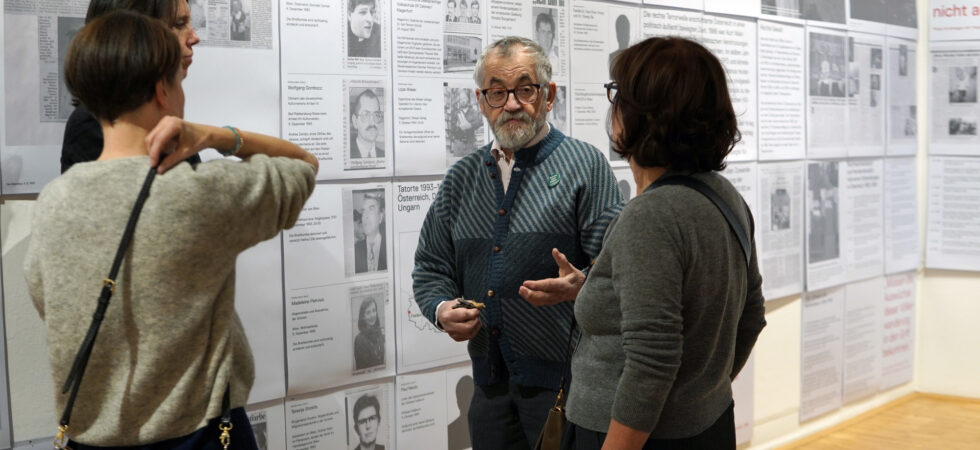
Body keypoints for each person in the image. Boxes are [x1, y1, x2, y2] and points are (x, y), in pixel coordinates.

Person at [26, 11, 317, 447]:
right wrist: (216, 136)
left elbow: (46, 298)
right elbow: (303, 164)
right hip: (199, 434)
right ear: (163, 90)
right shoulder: (199, 193)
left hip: (93, 439)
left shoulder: (53, 202)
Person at [522, 37, 766, 450]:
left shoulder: (650, 216)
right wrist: (698, 393)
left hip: (629, 436)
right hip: (707, 427)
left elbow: (652, 362)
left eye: (618, 93)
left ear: (645, 114)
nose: (613, 106)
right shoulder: (724, 196)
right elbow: (750, 315)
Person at [413, 36, 623, 449]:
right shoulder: (461, 179)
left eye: (525, 89)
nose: (511, 104)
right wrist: (440, 309)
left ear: (549, 96)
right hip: (490, 388)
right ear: (481, 101)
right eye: (497, 92)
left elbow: (618, 268)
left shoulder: (585, 165)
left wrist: (583, 284)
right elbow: (431, 267)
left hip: (568, 388)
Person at [61, 0, 201, 173]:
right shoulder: (94, 123)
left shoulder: (160, 116)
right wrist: (222, 138)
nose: (194, 37)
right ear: (132, 34)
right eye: (179, 24)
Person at [355, 192, 387, 272]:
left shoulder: (389, 246)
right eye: (363, 211)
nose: (365, 216)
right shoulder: (356, 250)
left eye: (371, 209)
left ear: (380, 217)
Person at [350, 89, 385, 159]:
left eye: (376, 114)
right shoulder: (348, 154)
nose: (372, 122)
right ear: (355, 121)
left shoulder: (384, 155)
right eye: (366, 115)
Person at [353, 297, 385, 369]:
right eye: (368, 312)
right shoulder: (359, 340)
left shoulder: (380, 333)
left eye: (374, 310)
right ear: (363, 317)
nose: (372, 315)